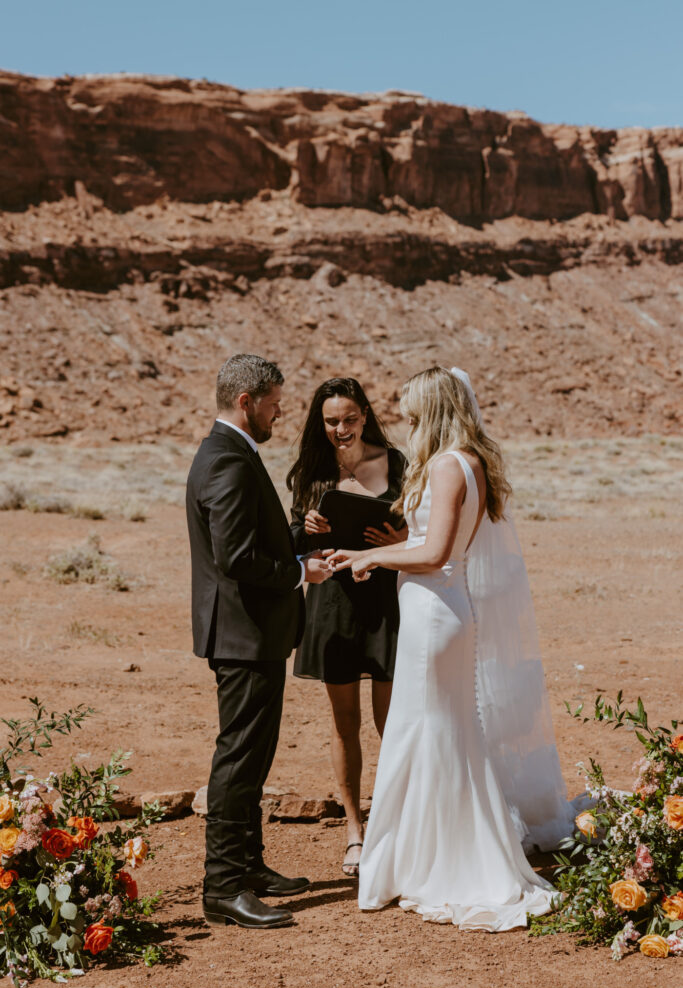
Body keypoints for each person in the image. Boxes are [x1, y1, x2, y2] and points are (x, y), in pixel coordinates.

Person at [329, 366, 569, 930]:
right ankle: (439, 854)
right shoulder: (470, 462)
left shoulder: (443, 464)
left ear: (433, 412)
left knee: (430, 731)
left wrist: (370, 557)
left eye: (413, 414)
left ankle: (432, 862)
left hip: (435, 614)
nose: (407, 425)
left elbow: (436, 553)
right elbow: (441, 546)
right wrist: (394, 549)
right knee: (446, 732)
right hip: (444, 610)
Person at [186, 353, 331, 929]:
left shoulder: (228, 453)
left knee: (253, 755)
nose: (280, 413)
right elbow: (237, 557)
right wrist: (302, 573)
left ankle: (248, 865)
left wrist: (296, 540)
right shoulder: (227, 460)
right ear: (246, 402)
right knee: (239, 759)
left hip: (252, 634)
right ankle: (222, 888)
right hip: (243, 636)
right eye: (273, 404)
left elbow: (246, 540)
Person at [287, 378, 407, 877]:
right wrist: (305, 531)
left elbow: (419, 529)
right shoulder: (310, 471)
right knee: (344, 723)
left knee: (392, 723)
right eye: (332, 420)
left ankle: (397, 825)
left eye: (350, 418)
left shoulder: (394, 462)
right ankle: (355, 833)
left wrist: (397, 536)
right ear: (322, 422)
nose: (342, 428)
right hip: (333, 602)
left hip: (386, 599)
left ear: (365, 416)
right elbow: (290, 540)